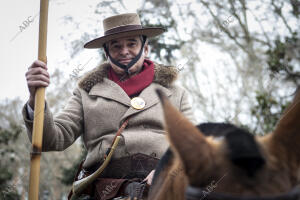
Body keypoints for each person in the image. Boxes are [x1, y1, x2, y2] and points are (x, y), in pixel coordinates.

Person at [23, 13, 195, 199]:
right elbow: (52, 139)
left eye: (131, 43)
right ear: (106, 53)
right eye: (116, 46)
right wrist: (35, 98)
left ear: (145, 48)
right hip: (105, 190)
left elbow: (194, 145)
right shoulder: (86, 92)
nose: (124, 51)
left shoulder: (176, 93)